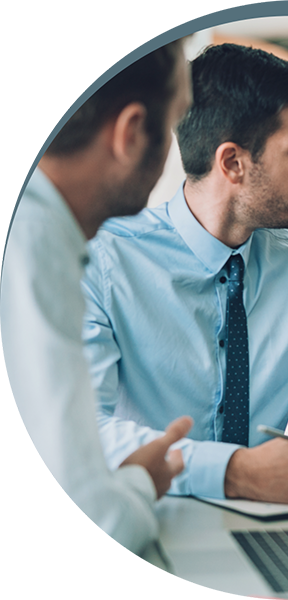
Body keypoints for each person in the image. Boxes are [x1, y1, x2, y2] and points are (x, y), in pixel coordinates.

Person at [80, 44, 288, 505]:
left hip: (276, 528)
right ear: (233, 163)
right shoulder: (103, 262)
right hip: (151, 523)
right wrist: (232, 473)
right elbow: (82, 430)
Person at [1, 40, 194, 557]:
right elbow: (91, 521)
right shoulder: (36, 243)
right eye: (174, 125)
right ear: (131, 133)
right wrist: (137, 485)